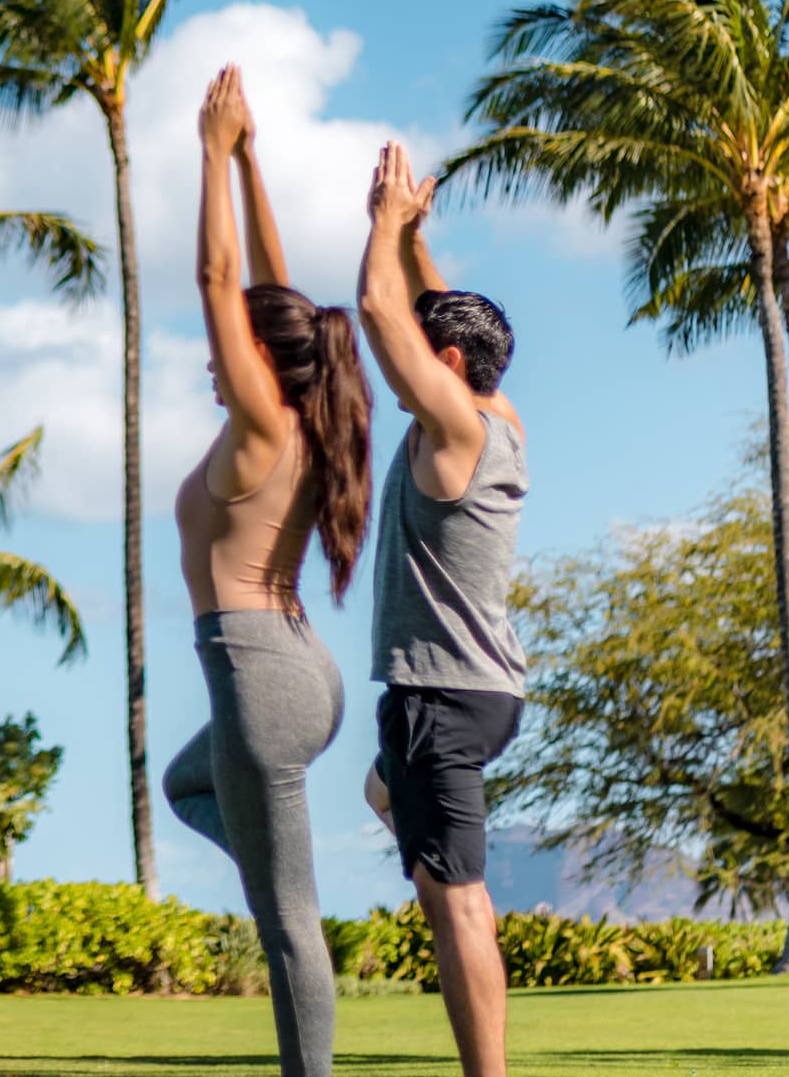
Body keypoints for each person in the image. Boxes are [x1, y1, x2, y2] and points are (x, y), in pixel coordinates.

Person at [163, 66, 373, 1077]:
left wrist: (207, 153)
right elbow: (271, 295)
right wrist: (252, 166)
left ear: (257, 356)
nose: (211, 353)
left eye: (231, 344)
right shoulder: (307, 413)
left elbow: (219, 286)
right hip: (298, 672)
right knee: (181, 785)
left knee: (287, 920)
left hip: (256, 678)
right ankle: (273, 859)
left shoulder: (259, 427)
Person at [357, 139, 526, 1077]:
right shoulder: (501, 416)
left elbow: (383, 313)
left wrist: (381, 225)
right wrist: (420, 237)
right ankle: (442, 854)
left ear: (449, 364)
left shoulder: (456, 426)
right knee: (385, 796)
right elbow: (430, 311)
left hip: (440, 696)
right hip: (486, 692)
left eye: (433, 352)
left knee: (452, 896)